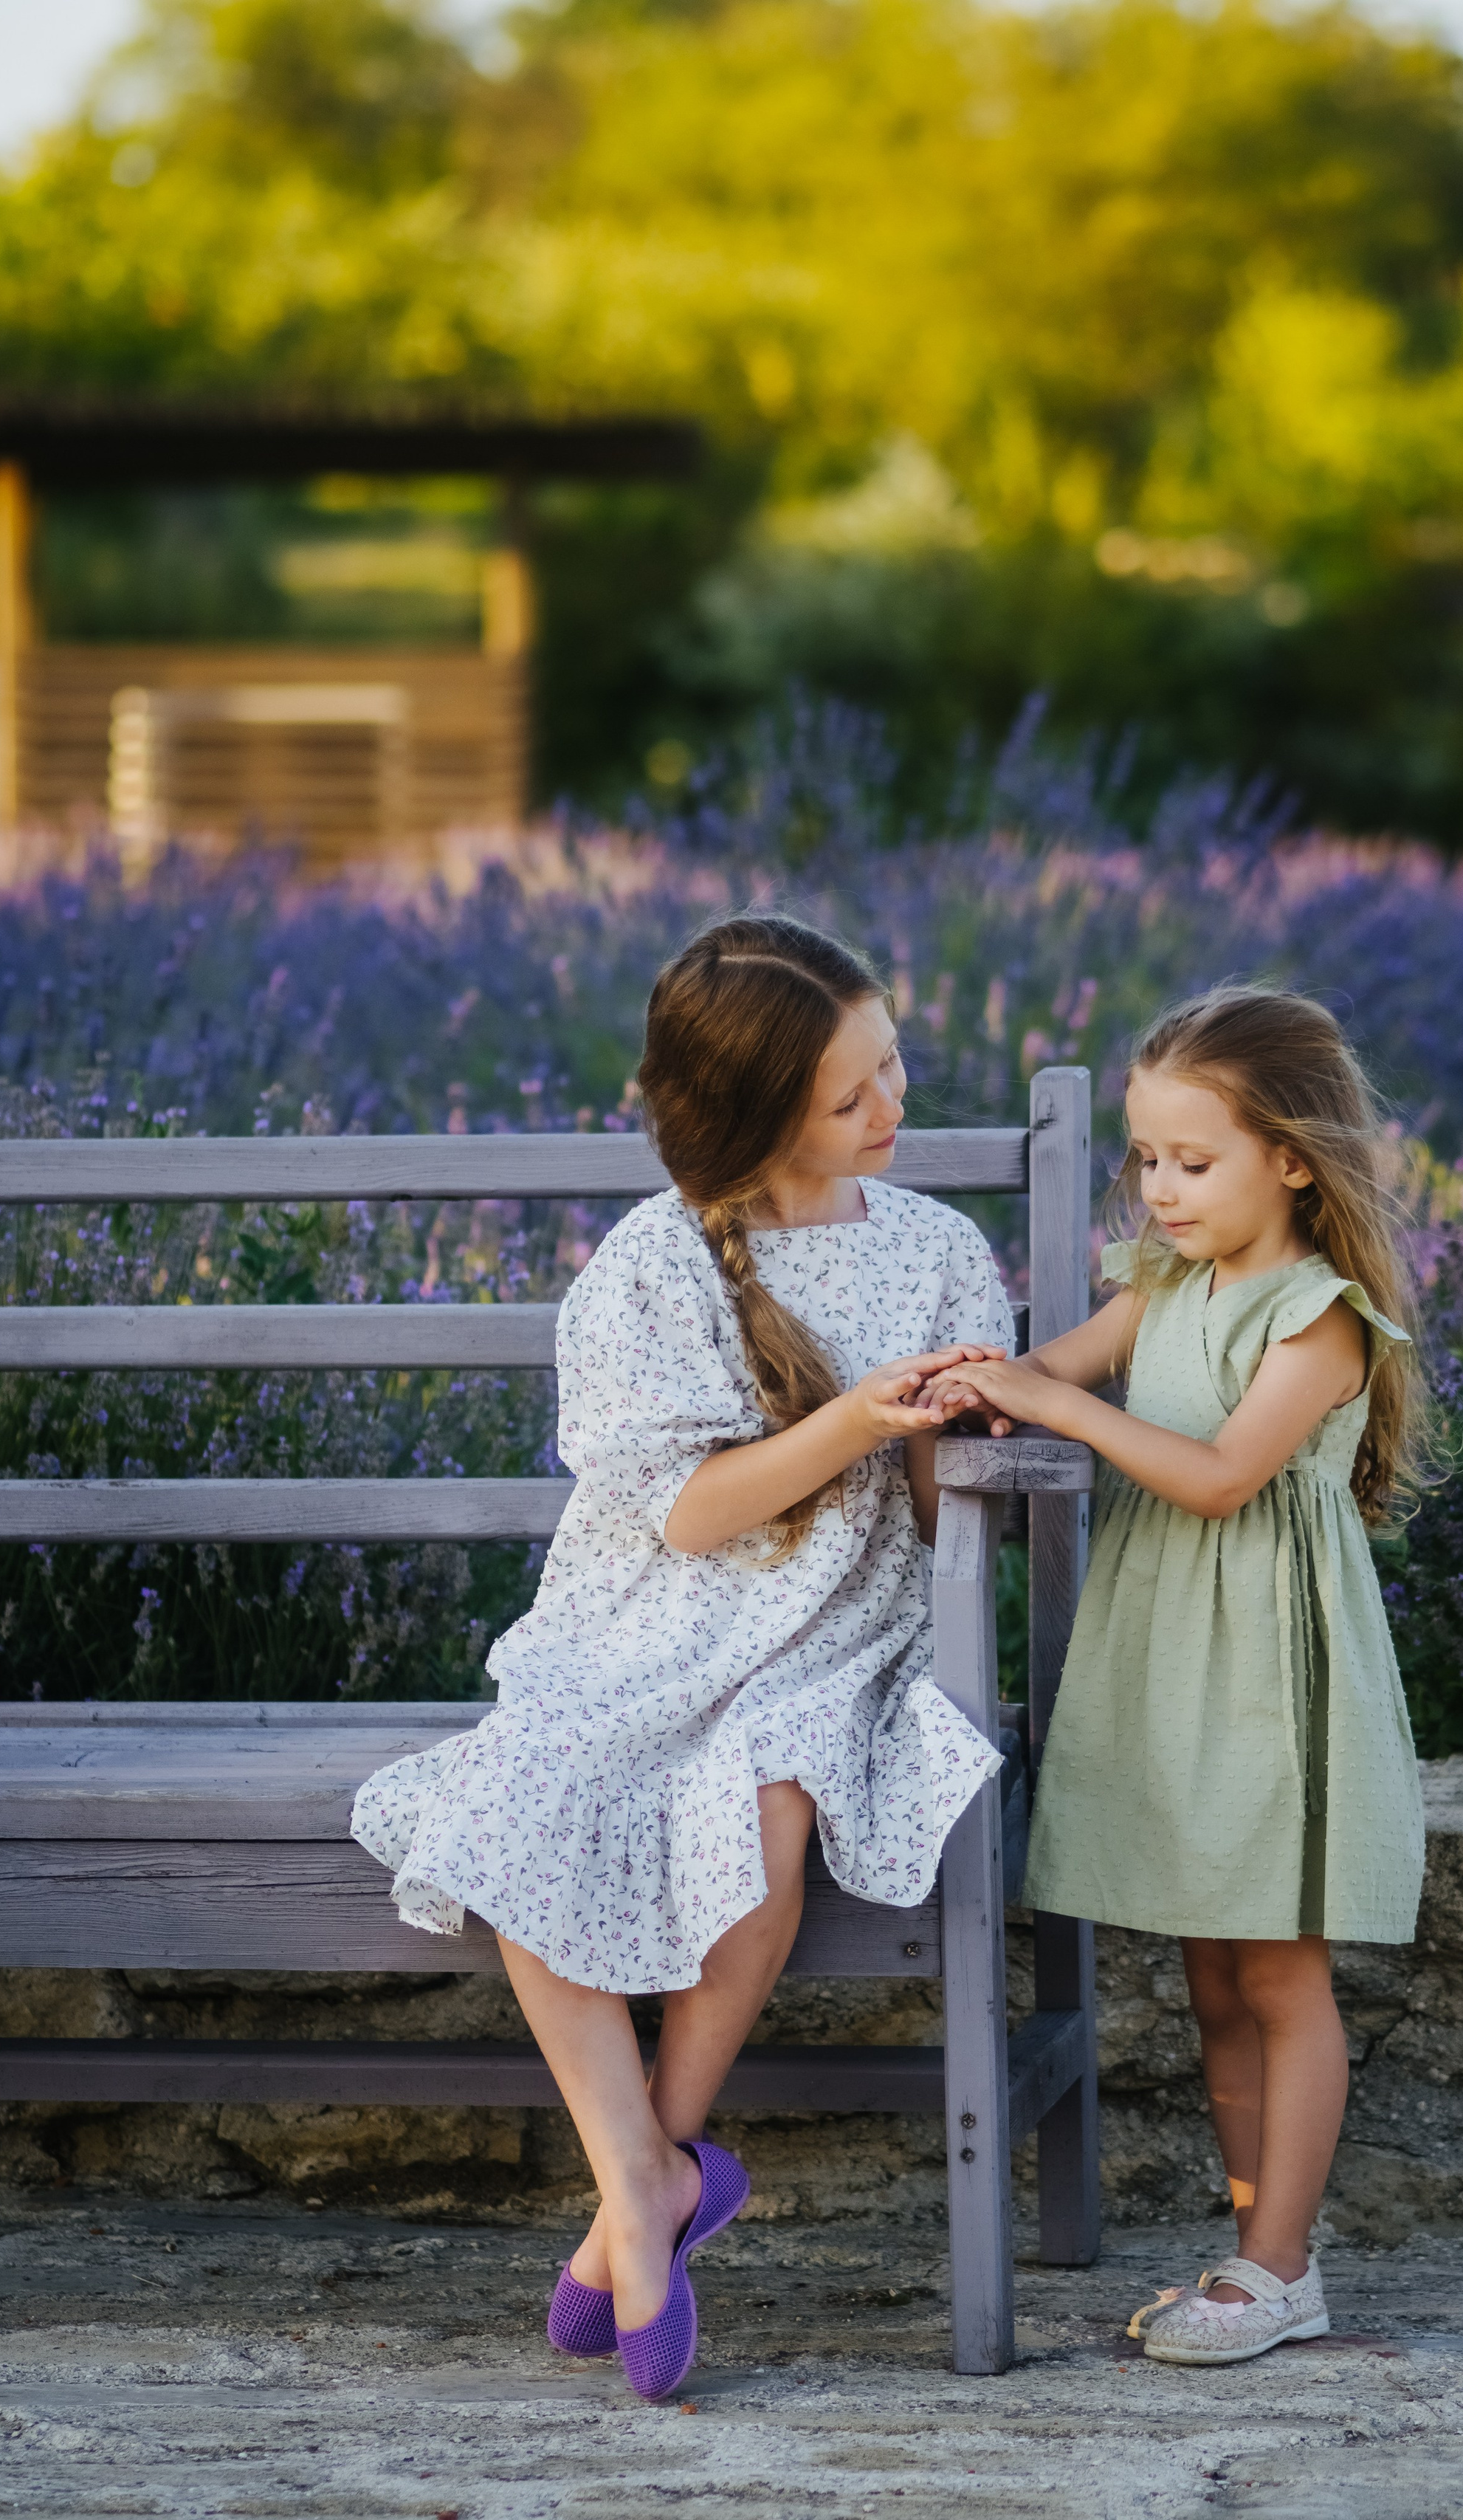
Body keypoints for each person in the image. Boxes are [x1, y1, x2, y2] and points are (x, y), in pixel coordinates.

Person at [351, 913, 1011, 2401]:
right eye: (852, 1099)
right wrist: (854, 1417)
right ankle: (642, 2175)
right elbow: (694, 1515)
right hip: (649, 1615)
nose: (892, 1110)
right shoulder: (654, 1265)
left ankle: (644, 2183)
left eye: (893, 1067)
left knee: (763, 1815)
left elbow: (936, 1512)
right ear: (756, 1117)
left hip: (832, 1632)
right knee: (526, 1796)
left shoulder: (937, 1250)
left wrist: (965, 1436)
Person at [920, 984, 1426, 2367]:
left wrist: (1061, 1402)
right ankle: (1253, 2244)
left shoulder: (1319, 1319)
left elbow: (1215, 1477)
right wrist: (977, 1381)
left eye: (1191, 1161)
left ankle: (1280, 2266)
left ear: (1293, 1159)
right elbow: (1046, 1369)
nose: (1159, 1188)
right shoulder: (1160, 1287)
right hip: (1170, 1670)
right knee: (1211, 1978)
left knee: (1279, 1972)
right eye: (1145, 1158)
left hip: (1263, 1676)